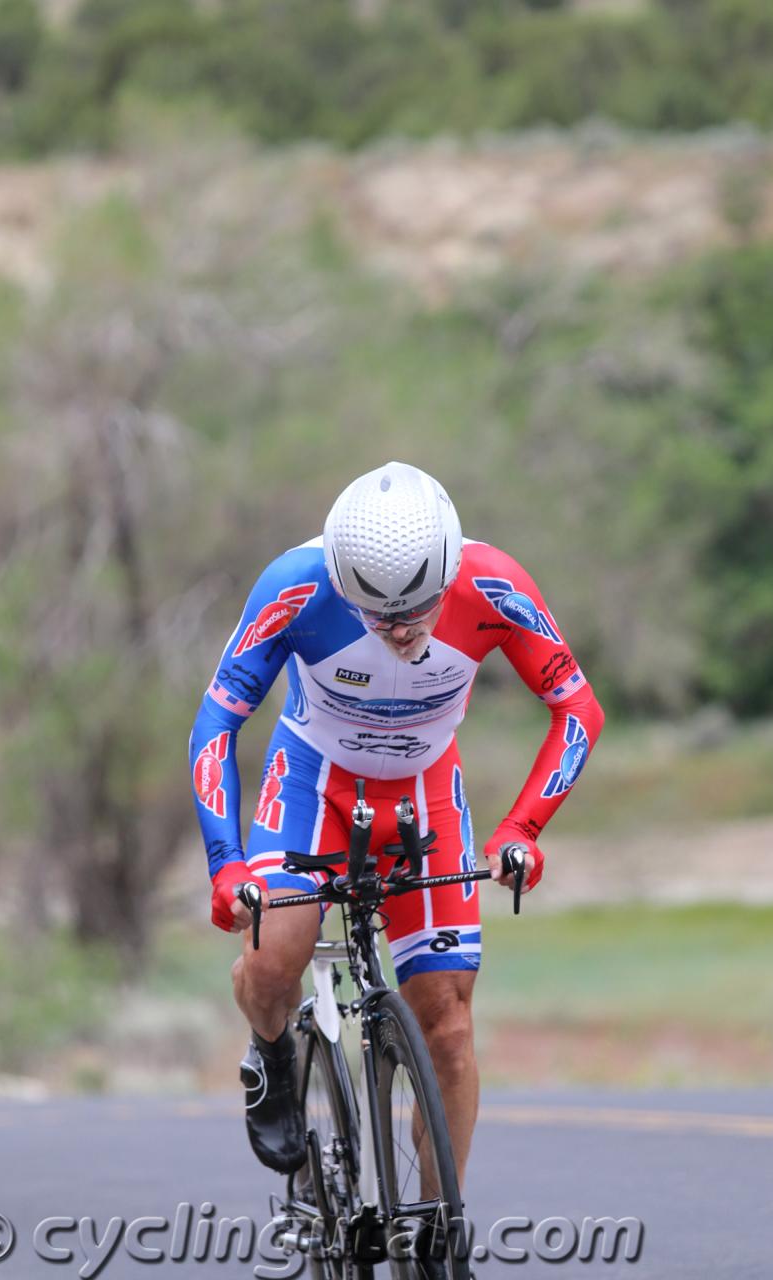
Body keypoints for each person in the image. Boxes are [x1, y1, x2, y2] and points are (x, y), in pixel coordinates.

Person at [189, 461, 604, 1183]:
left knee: (446, 1024)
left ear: (446, 577)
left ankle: (441, 1231)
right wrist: (225, 864)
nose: (399, 630)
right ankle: (274, 1052)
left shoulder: (493, 583)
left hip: (426, 794)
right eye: (376, 615)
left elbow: (578, 711)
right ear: (342, 584)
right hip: (314, 787)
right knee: (271, 963)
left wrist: (520, 830)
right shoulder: (295, 584)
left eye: (417, 611)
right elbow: (217, 724)